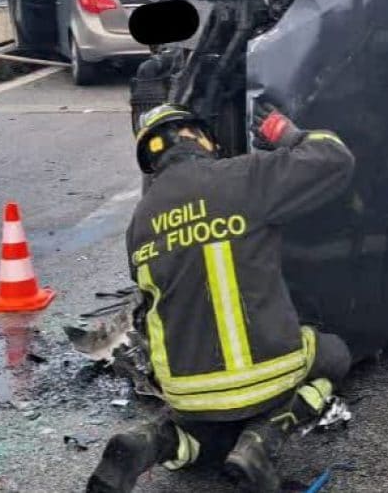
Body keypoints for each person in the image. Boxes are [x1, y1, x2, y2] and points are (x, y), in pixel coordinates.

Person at [86, 102, 356, 492]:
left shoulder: (140, 222)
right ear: (201, 138)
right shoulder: (244, 176)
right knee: (335, 356)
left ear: (151, 158)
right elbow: (334, 159)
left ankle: (152, 440)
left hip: (187, 391)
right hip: (269, 370)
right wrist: (284, 131)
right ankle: (262, 441)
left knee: (207, 431)